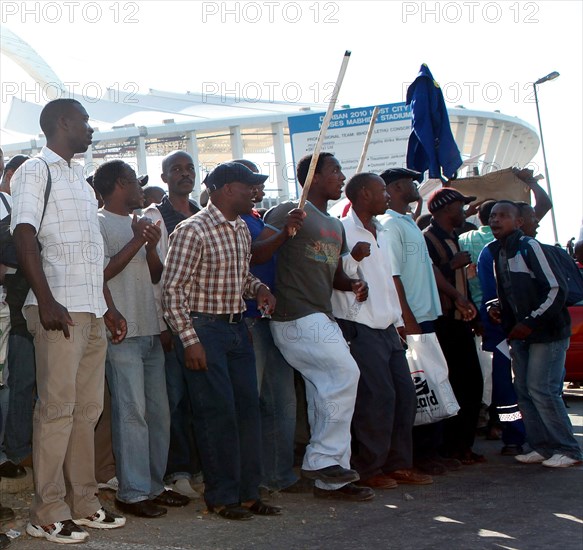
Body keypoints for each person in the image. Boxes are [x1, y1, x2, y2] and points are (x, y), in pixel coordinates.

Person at [11, 98, 126, 544]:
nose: (90, 128)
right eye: (84, 120)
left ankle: (84, 503)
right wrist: (45, 299)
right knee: (57, 411)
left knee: (87, 412)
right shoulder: (35, 171)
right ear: (63, 123)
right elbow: (24, 233)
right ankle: (47, 512)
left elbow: (91, 253)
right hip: (58, 309)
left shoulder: (79, 177)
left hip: (90, 310)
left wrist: (108, 306)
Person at [163, 162, 281, 520]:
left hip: (236, 329)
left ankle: (247, 493)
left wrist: (259, 288)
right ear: (227, 189)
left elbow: (241, 275)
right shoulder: (192, 230)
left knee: (247, 412)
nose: (254, 193)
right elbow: (171, 292)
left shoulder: (242, 228)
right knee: (217, 415)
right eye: (249, 187)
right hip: (205, 333)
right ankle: (221, 496)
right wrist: (190, 340)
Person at [266, 152, 373, 502]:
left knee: (322, 391)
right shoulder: (286, 210)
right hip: (294, 315)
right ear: (312, 177)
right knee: (345, 374)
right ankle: (321, 460)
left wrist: (353, 283)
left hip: (321, 314)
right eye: (335, 171)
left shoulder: (335, 224)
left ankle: (333, 479)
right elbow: (257, 253)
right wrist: (285, 230)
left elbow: (335, 275)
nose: (342, 176)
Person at [94, 160, 189, 517]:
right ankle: (132, 492)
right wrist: (138, 240)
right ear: (120, 184)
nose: (140, 189)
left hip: (150, 327)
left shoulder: (143, 223)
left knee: (158, 413)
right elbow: (99, 273)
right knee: (131, 412)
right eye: (135, 182)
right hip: (121, 331)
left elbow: (156, 276)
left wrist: (149, 247)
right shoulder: (98, 222)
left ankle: (153, 484)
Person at [332, 173, 432, 489]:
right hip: (360, 326)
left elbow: (389, 280)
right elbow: (334, 275)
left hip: (388, 327)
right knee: (376, 399)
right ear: (363, 194)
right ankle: (369, 468)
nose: (387, 195)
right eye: (380, 191)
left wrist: (400, 321)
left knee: (404, 396)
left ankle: (398, 464)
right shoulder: (343, 229)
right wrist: (353, 257)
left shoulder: (382, 231)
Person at [379, 169, 467, 475]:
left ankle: (432, 451)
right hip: (411, 321)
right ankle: (418, 456)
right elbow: (391, 276)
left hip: (428, 318)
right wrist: (407, 319)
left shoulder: (408, 224)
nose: (416, 186)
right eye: (411, 182)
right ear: (398, 187)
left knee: (431, 382)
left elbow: (431, 270)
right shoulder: (390, 225)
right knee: (417, 388)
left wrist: (457, 296)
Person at [486, 201, 582, 468]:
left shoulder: (530, 247)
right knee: (525, 391)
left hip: (546, 333)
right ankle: (541, 446)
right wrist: (498, 307)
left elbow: (555, 289)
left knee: (543, 390)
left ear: (518, 222)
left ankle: (568, 449)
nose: (496, 220)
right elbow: (513, 292)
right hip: (521, 335)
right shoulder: (500, 252)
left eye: (503, 216)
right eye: (493, 216)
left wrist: (530, 321)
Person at [239, 159, 306, 494]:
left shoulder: (254, 218)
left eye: (260, 182)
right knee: (253, 401)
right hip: (249, 320)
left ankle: (279, 474)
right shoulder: (234, 223)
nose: (258, 188)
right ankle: (251, 478)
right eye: (251, 182)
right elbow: (257, 255)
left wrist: (287, 231)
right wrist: (284, 232)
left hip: (273, 320)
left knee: (281, 400)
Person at [143, 150, 202, 499]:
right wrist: (162, 325)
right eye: (176, 169)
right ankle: (177, 471)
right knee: (174, 400)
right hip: (171, 321)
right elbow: (156, 279)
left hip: (205, 320)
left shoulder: (201, 214)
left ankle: (200, 467)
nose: (184, 174)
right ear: (164, 178)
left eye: (189, 168)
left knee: (201, 399)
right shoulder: (155, 216)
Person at [423, 187, 484, 465]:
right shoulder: (428, 238)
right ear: (447, 209)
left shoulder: (455, 238)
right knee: (454, 385)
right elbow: (426, 277)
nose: (464, 212)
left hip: (461, 323)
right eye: (460, 206)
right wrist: (451, 265)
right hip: (443, 324)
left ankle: (463, 446)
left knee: (471, 386)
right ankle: (450, 447)